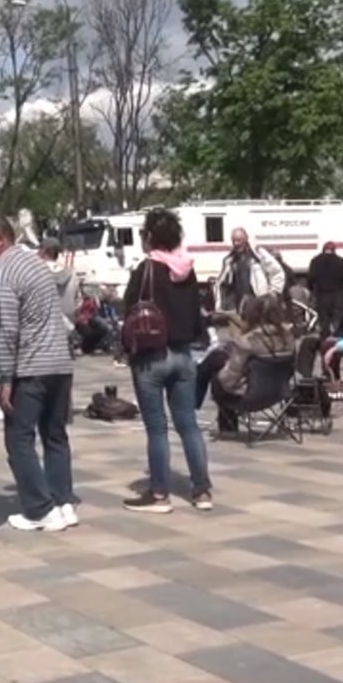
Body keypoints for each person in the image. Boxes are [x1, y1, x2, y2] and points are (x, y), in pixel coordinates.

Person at [0, 214, 76, 533]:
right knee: (55, 434)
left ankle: (39, 508)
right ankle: (63, 502)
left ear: (0, 240)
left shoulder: (7, 272)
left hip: (32, 366)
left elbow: (9, 329)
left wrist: (6, 378)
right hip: (59, 363)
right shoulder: (35, 263)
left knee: (19, 437)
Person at [120, 210, 212, 514]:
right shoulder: (187, 270)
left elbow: (128, 309)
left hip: (151, 356)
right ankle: (201, 490)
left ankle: (159, 493)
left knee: (157, 428)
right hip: (185, 355)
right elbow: (196, 314)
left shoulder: (146, 269)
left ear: (150, 237)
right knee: (188, 425)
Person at [197, 295, 295, 434]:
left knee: (217, 373)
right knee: (218, 358)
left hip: (251, 397)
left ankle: (227, 426)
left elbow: (229, 378)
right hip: (280, 393)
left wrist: (219, 373)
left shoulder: (247, 342)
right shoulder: (289, 338)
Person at [215, 228, 285, 313]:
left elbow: (277, 272)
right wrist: (220, 306)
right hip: (239, 305)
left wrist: (274, 292)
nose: (236, 244)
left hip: (259, 303)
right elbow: (221, 284)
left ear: (246, 240)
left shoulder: (259, 254)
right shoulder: (229, 260)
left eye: (239, 240)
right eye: (234, 241)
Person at [308, 242, 343, 335]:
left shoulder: (315, 261)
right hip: (338, 294)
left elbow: (311, 278)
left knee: (324, 319)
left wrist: (312, 290)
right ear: (334, 250)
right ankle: (336, 336)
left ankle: (324, 338)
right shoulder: (341, 261)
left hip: (322, 294)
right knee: (337, 318)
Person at [39, 237, 80, 331]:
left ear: (43, 251)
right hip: (68, 329)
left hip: (45, 331)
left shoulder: (37, 273)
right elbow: (78, 303)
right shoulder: (72, 274)